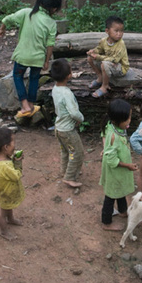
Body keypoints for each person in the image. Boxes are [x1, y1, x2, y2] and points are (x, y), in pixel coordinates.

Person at [0, 0, 62, 117]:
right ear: (54, 8)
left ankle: (25, 105)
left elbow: (7, 19)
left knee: (17, 77)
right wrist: (47, 60)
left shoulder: (27, 12)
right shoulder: (51, 23)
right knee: (34, 79)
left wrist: (2, 29)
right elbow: (50, 45)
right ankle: (31, 105)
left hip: (22, 56)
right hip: (38, 59)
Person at [99, 99, 138, 231]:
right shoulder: (114, 136)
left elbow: (105, 138)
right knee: (110, 195)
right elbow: (112, 161)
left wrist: (106, 148)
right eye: (127, 118)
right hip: (114, 171)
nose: (130, 120)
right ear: (117, 120)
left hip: (118, 172)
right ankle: (106, 222)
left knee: (119, 190)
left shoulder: (112, 125)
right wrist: (128, 165)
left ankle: (123, 211)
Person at [50, 58, 86, 188]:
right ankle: (69, 177)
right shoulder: (67, 93)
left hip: (58, 127)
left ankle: (65, 171)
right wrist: (81, 119)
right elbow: (74, 113)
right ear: (68, 75)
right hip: (67, 130)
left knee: (66, 151)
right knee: (77, 152)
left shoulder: (55, 89)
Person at [0, 126, 24, 238]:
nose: (15, 145)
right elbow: (16, 176)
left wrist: (13, 159)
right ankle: (4, 231)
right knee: (3, 213)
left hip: (5, 190)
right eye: (13, 142)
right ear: (5, 147)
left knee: (8, 207)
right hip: (6, 192)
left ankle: (11, 219)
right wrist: (19, 164)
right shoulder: (5, 166)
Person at [87, 15, 129, 99]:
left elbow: (115, 60)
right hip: (109, 64)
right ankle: (100, 77)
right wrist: (93, 52)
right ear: (107, 31)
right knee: (89, 58)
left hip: (120, 68)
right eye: (116, 31)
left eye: (121, 31)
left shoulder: (121, 44)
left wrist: (98, 56)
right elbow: (99, 49)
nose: (119, 34)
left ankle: (105, 86)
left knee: (104, 64)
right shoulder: (103, 41)